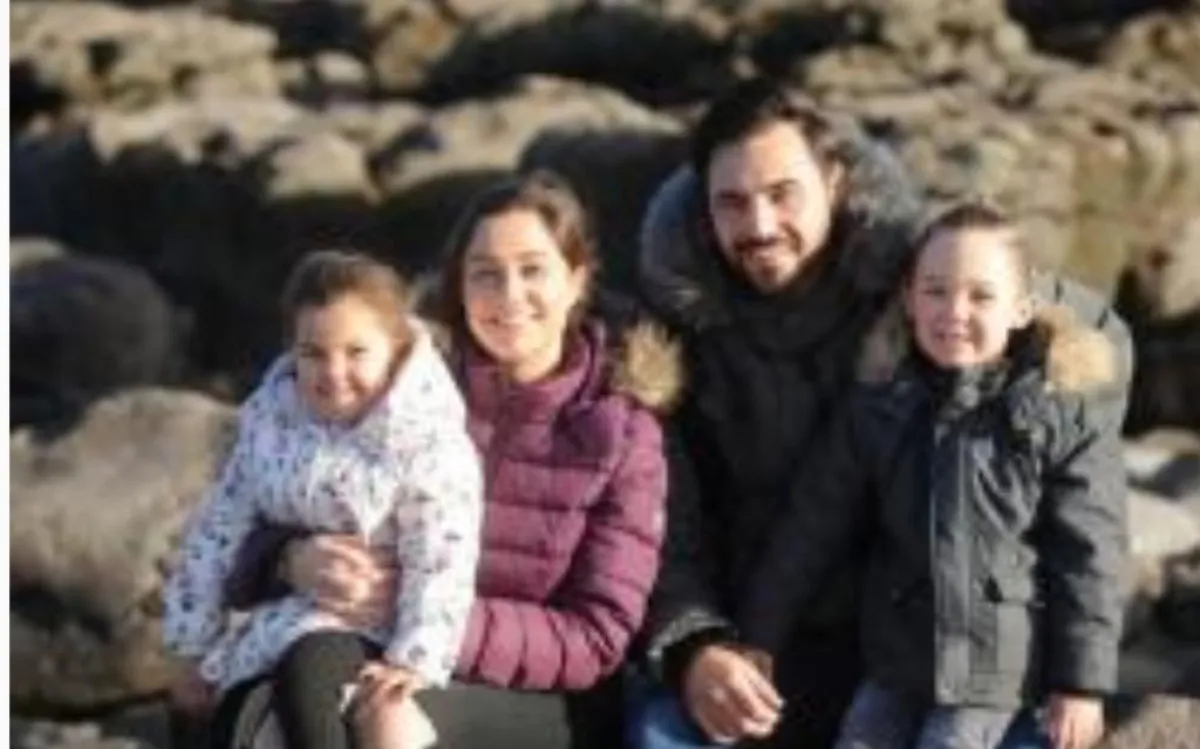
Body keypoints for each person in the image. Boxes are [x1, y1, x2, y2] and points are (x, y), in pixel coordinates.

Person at [629, 77, 1132, 749]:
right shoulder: (667, 339)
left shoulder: (919, 289)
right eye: (733, 202)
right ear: (703, 210)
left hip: (934, 646)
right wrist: (697, 645)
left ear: (835, 182)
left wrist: (1043, 344)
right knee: (659, 732)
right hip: (761, 641)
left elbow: (1091, 330)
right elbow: (660, 521)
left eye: (783, 193)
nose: (760, 225)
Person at [207, 171, 678, 748]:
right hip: (375, 641)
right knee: (273, 714)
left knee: (389, 724)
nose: (509, 295)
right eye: (485, 274)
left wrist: (429, 619)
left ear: (576, 280)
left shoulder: (622, 432)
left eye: (532, 270)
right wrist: (290, 560)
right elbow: (244, 518)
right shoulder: (402, 391)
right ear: (459, 286)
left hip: (549, 694)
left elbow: (598, 635)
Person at [740, 202, 1128, 749]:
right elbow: (811, 525)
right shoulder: (878, 405)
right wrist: (759, 634)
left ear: (1021, 308)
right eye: (936, 291)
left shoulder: (1059, 410)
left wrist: (1080, 684)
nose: (954, 311)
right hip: (898, 661)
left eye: (981, 296)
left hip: (995, 670)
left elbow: (1089, 552)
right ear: (908, 299)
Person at [163, 250, 484, 749]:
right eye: (313, 353)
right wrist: (192, 644)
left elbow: (443, 552)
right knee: (219, 713)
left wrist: (416, 656)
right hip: (271, 628)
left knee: (310, 676)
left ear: (396, 350)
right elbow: (218, 530)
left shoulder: (425, 439)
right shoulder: (270, 423)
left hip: (373, 630)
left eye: (356, 352)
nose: (333, 372)